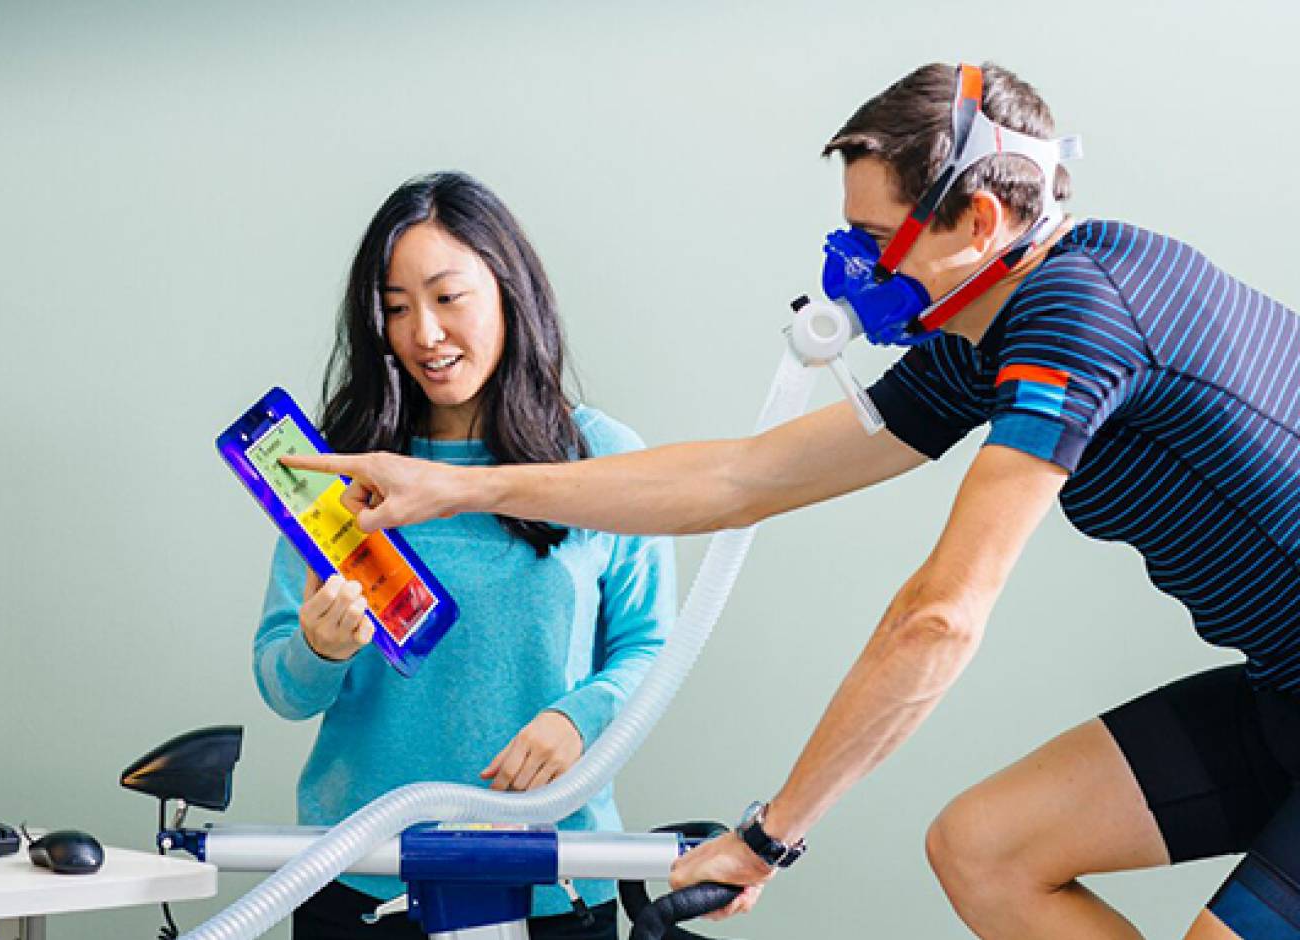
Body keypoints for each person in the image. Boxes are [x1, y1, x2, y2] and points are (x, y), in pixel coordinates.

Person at [285, 65, 1300, 939]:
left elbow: (941, 618)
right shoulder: (979, 337)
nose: (849, 267)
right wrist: (459, 486)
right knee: (985, 849)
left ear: (980, 223)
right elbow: (742, 479)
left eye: (873, 236)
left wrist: (771, 835)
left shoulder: (1077, 317)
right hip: (1281, 692)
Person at [253, 171, 676, 940]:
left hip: (553, 882)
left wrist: (581, 719)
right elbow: (284, 689)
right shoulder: (339, 470)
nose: (425, 334)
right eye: (396, 308)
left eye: (448, 297)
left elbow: (653, 647)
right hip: (361, 878)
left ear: (510, 290)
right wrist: (319, 648)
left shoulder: (601, 458)